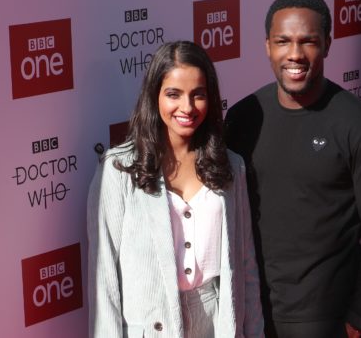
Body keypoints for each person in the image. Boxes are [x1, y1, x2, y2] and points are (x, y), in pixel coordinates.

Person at [224, 0, 361, 338]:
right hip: (251, 311)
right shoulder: (243, 118)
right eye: (283, 41)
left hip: (325, 320)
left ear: (328, 45)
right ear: (267, 47)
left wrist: (360, 319)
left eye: (308, 41)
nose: (294, 54)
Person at [87, 40, 264, 338]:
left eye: (198, 95)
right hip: (149, 326)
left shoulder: (231, 166)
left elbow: (245, 265)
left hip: (215, 321)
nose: (187, 107)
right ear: (154, 96)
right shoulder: (117, 170)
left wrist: (255, 332)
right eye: (173, 94)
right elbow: (104, 280)